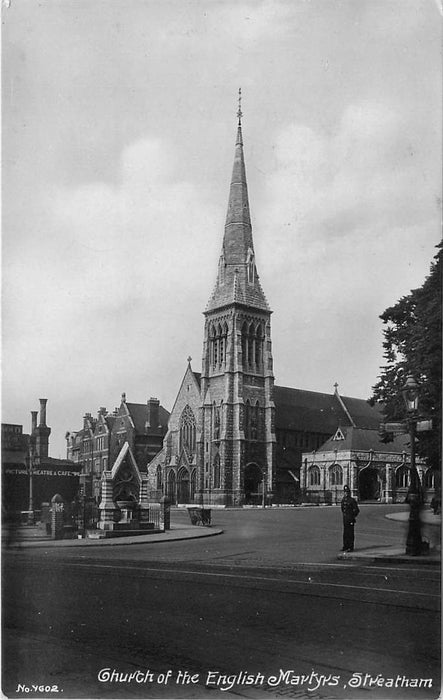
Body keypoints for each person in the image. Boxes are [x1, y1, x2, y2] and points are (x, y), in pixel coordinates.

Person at [341, 485, 359, 552]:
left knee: (350, 534)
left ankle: (350, 547)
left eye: (347, 492)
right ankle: (345, 546)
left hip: (350, 520)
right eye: (345, 492)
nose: (346, 493)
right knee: (345, 533)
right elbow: (343, 509)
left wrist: (352, 517)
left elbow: (357, 510)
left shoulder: (352, 500)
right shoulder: (343, 500)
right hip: (345, 520)